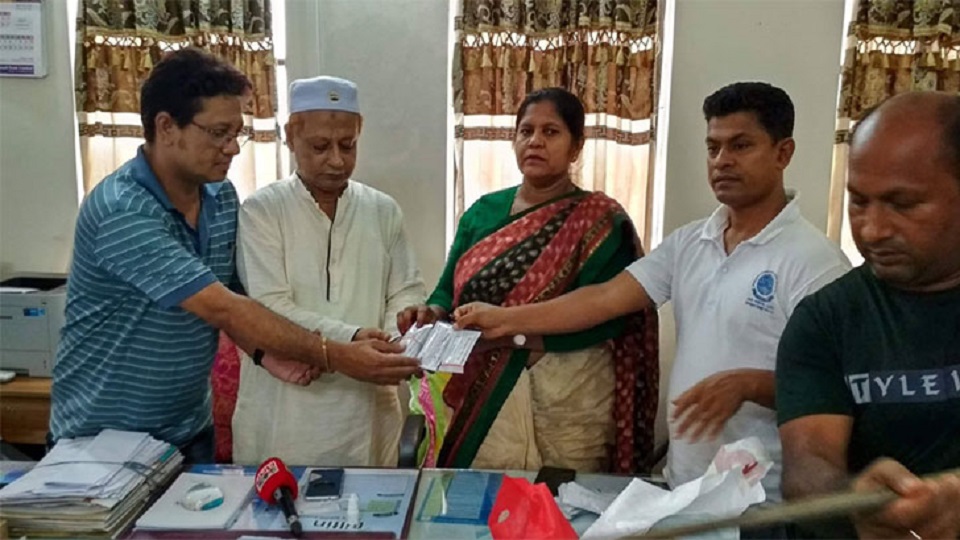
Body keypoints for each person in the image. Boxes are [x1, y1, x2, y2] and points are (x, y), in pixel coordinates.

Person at [454, 82, 851, 501]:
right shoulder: (691, 243)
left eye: (741, 146)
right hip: (685, 486)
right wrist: (504, 319)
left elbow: (841, 386)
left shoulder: (814, 263)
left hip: (764, 499)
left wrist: (750, 385)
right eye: (713, 147)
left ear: (783, 153)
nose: (722, 161)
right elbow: (605, 299)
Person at [50, 48, 420, 464]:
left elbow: (235, 296)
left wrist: (264, 354)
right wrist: (337, 352)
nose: (232, 148)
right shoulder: (122, 210)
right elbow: (223, 307)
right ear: (166, 126)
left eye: (236, 133)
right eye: (218, 133)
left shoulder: (220, 197)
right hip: (103, 439)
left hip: (189, 428)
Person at [398, 87, 660, 473]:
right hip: (481, 389)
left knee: (567, 498)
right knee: (487, 498)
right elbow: (447, 289)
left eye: (551, 132)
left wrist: (519, 337)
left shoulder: (600, 221)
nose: (535, 141)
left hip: (570, 390)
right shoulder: (482, 212)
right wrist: (430, 311)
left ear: (576, 147)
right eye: (526, 131)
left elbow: (613, 317)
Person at [776, 92, 960, 538]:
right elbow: (806, 468)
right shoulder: (825, 320)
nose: (873, 230)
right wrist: (853, 500)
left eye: (903, 204)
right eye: (858, 202)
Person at [230, 76, 426, 467]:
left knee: (372, 501)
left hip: (368, 409)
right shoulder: (262, 210)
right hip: (288, 411)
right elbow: (269, 306)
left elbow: (406, 289)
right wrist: (352, 338)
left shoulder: (382, 209)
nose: (336, 160)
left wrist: (391, 339)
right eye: (320, 146)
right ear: (291, 136)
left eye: (347, 145)